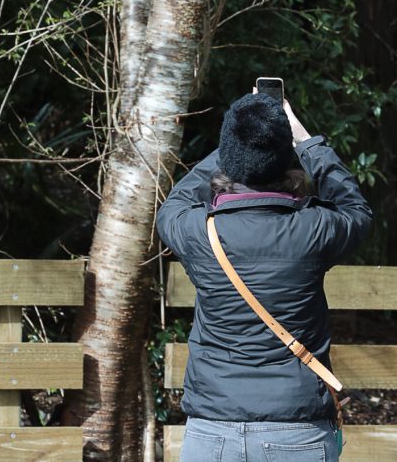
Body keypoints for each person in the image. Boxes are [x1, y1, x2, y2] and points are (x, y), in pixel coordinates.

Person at [156, 91, 372, 462]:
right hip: (297, 432)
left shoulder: (196, 231)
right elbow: (356, 209)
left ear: (230, 154)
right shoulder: (313, 230)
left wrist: (235, 144)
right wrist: (305, 140)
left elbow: (174, 203)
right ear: (283, 156)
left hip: (211, 434)